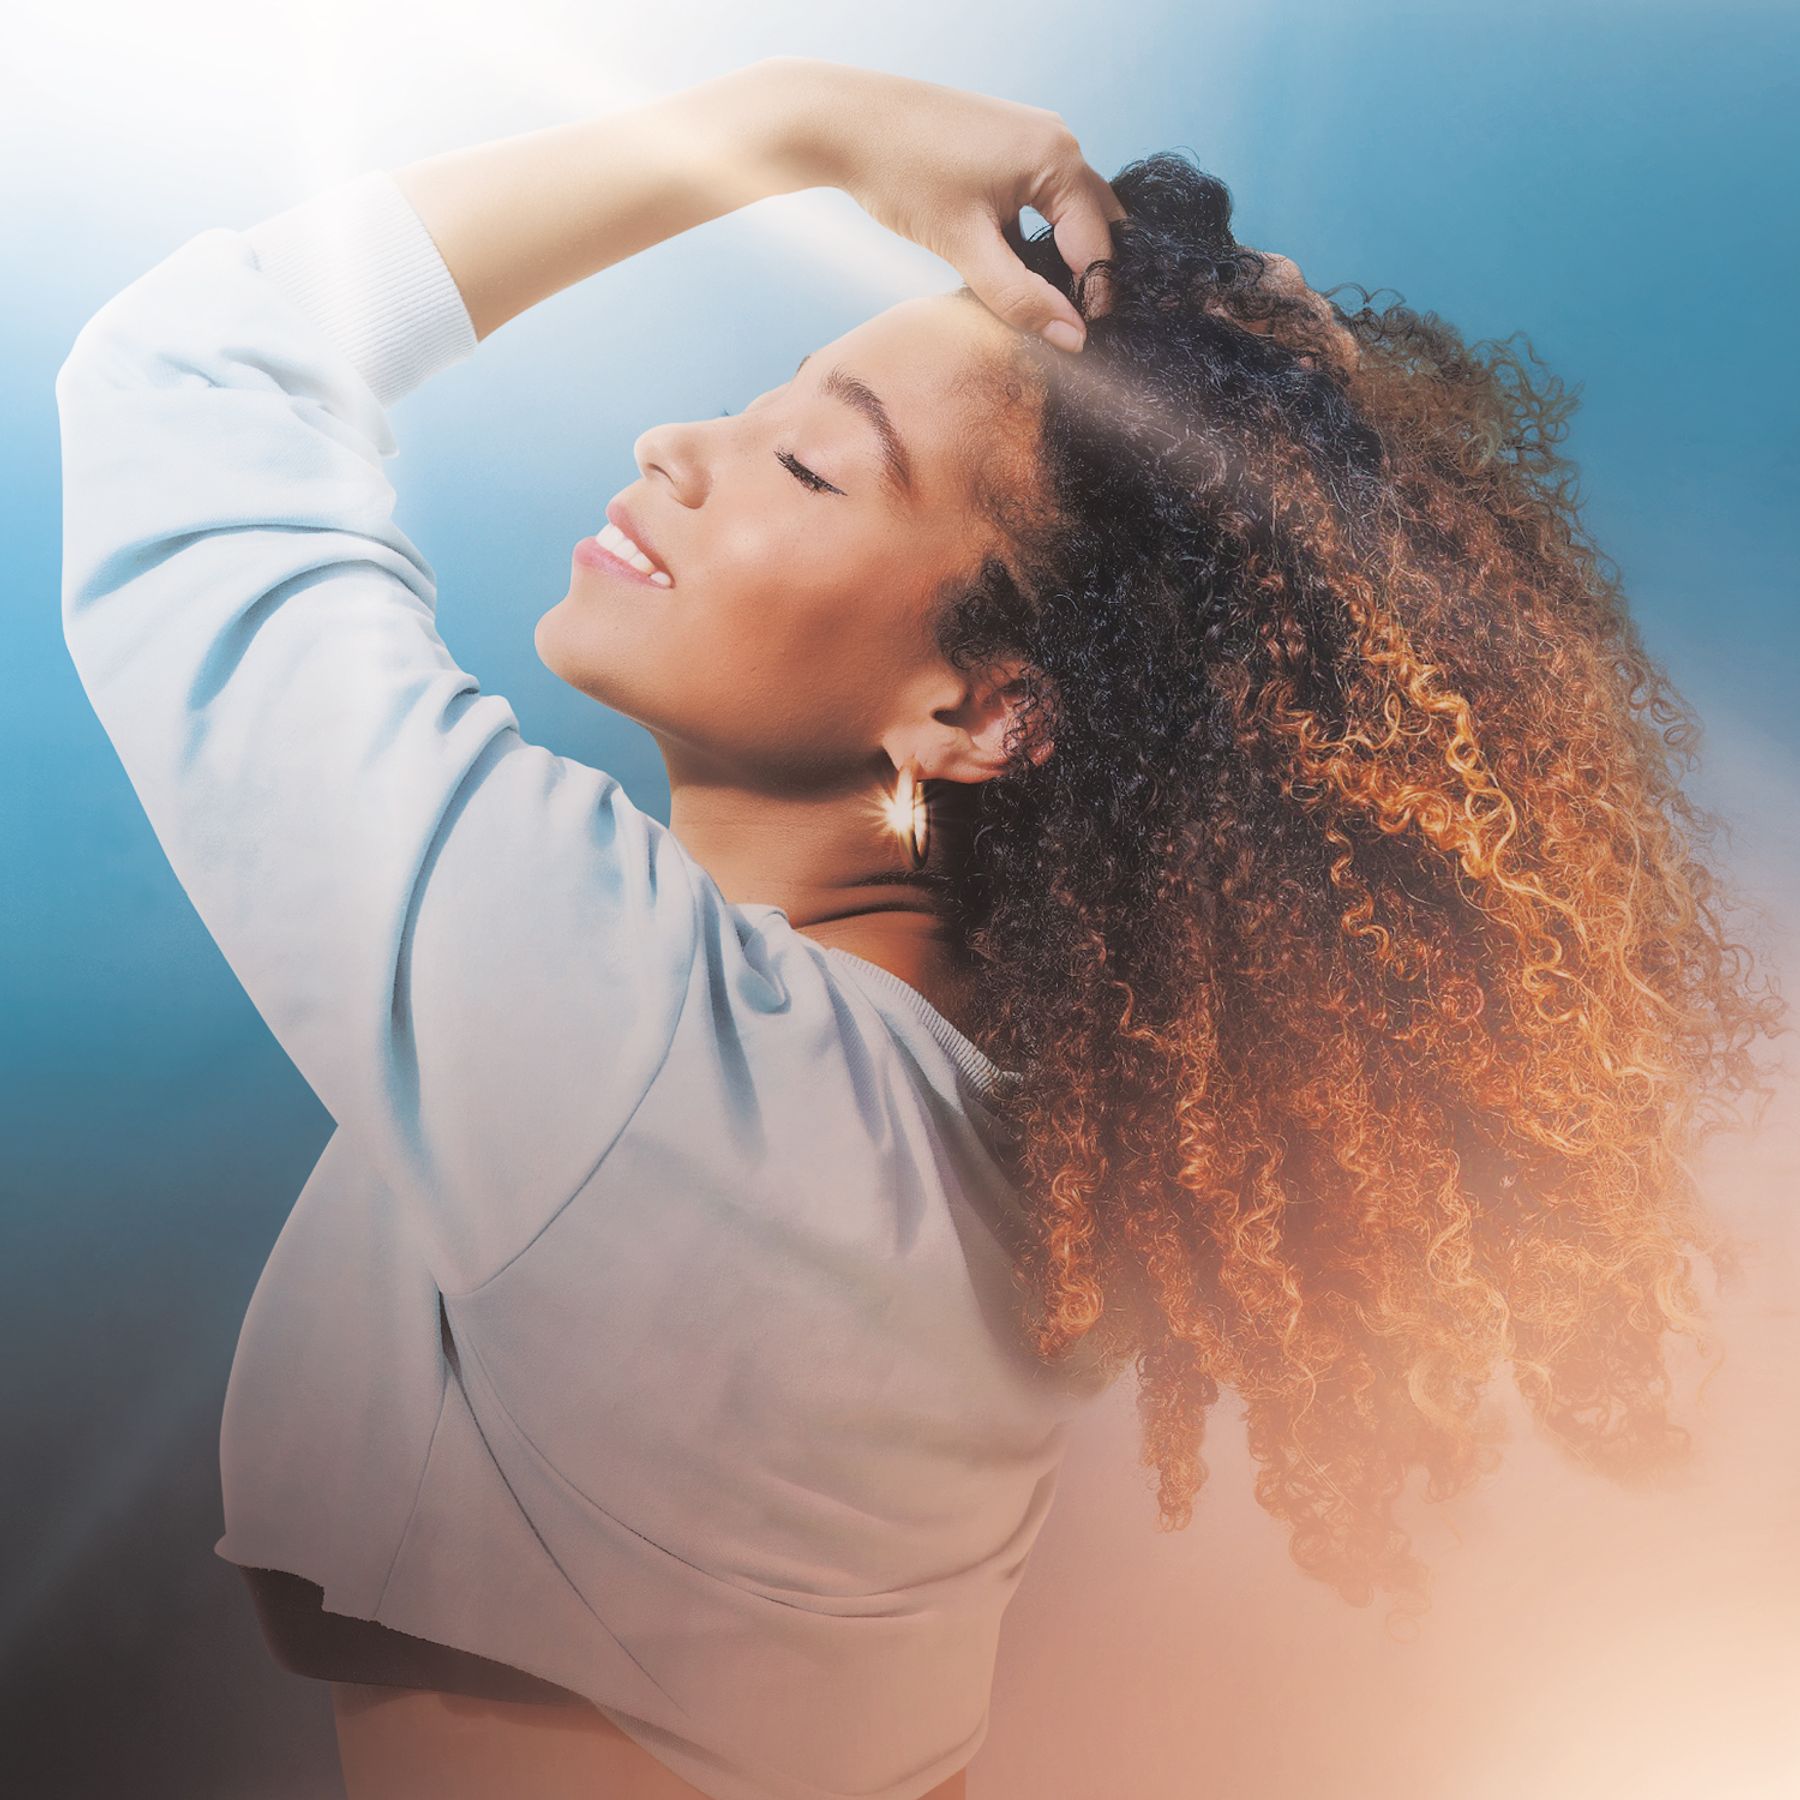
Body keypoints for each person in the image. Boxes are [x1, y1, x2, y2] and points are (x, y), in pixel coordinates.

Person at [56, 53, 1781, 1800]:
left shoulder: (673, 1076)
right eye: (771, 399)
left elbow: (184, 381)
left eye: (808, 464)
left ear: (984, 714)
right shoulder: (979, 1146)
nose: (682, 443)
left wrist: (782, 123)